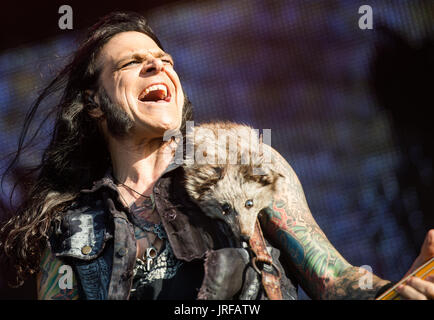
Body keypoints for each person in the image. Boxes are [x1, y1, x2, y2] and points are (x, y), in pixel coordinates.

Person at [0, 11, 433, 300]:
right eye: (133, 62)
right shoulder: (71, 232)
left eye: (164, 59)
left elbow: (335, 281)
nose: (158, 66)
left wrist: (397, 290)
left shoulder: (242, 160)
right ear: (94, 103)